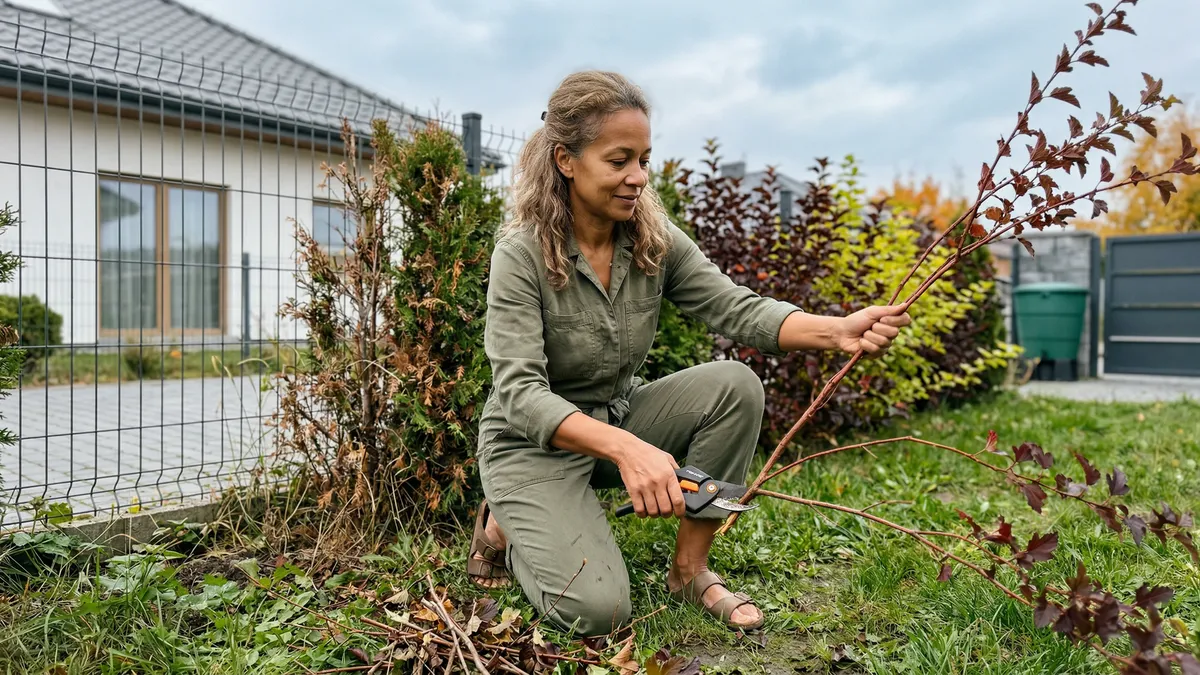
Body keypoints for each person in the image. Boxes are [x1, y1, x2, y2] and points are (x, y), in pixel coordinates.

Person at [467, 70, 911, 635]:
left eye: (644, 159)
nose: (638, 178)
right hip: (529, 446)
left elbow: (738, 309)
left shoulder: (652, 238)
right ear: (565, 161)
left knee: (735, 386)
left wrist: (838, 330)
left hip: (613, 421)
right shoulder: (522, 253)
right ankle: (503, 524)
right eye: (619, 160)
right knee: (597, 612)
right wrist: (629, 451)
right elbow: (522, 396)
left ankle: (690, 568)